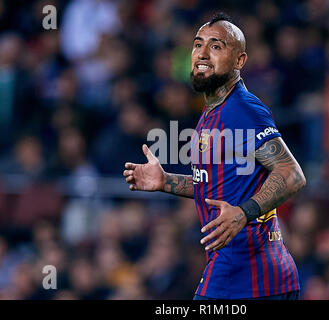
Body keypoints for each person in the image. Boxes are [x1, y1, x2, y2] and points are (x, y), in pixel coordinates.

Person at [123, 13, 306, 300]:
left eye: (216, 46)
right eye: (198, 45)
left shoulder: (242, 109)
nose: (202, 54)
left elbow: (291, 174)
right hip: (247, 275)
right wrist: (165, 181)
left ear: (239, 61)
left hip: (248, 278)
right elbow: (216, 186)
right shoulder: (212, 112)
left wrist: (243, 213)